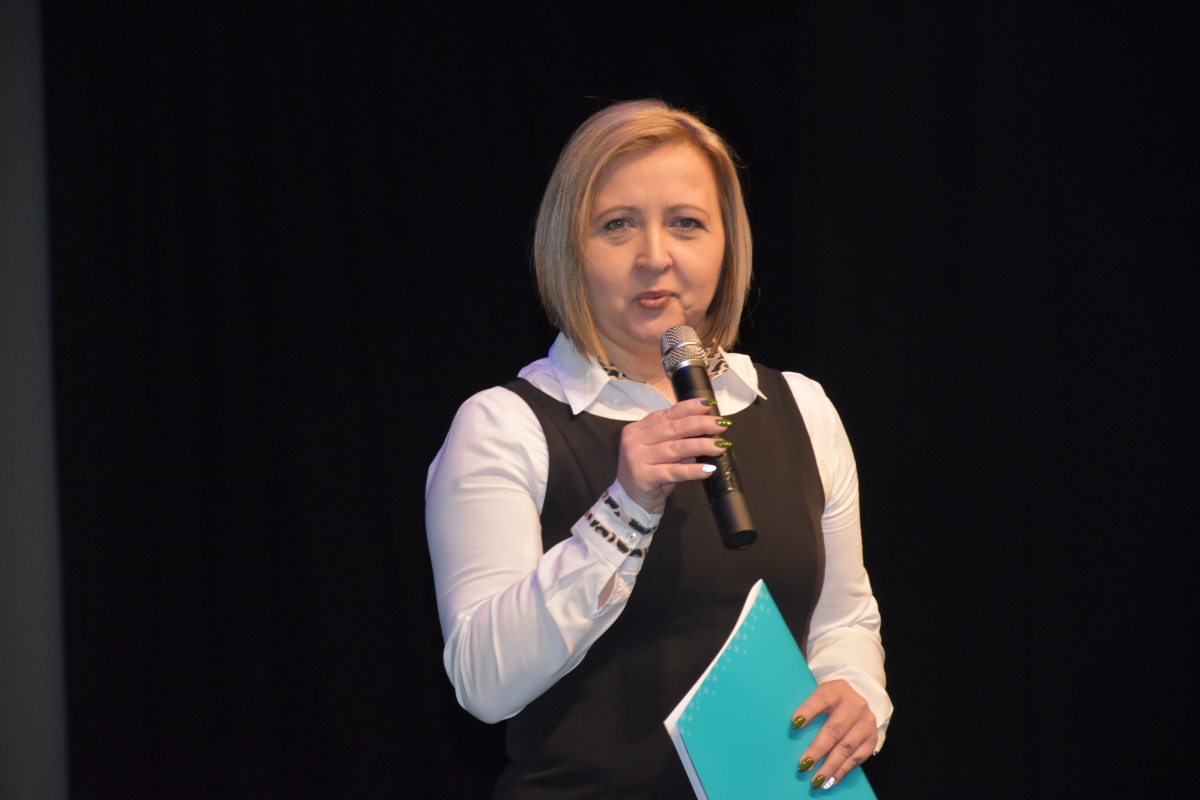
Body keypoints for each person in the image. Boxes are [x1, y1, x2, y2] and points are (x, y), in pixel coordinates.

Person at [425, 99, 892, 798]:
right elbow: (483, 684)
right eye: (617, 224)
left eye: (686, 223)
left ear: (726, 243)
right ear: (569, 246)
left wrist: (857, 694)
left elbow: (842, 619)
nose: (655, 256)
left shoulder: (800, 408)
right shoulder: (506, 425)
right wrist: (623, 511)